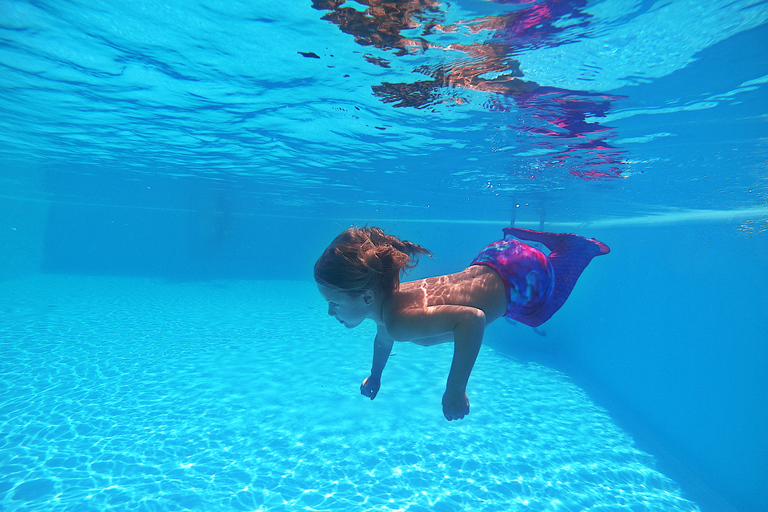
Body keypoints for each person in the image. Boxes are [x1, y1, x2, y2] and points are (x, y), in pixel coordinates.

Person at [314, 226, 610, 421]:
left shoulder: (398, 323)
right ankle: (558, 248)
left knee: (538, 313)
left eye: (334, 303)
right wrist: (375, 375)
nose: (330, 312)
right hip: (497, 256)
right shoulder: (389, 300)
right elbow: (382, 339)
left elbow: (472, 319)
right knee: (525, 295)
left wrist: (455, 389)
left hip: (521, 276)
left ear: (366, 297)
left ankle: (575, 250)